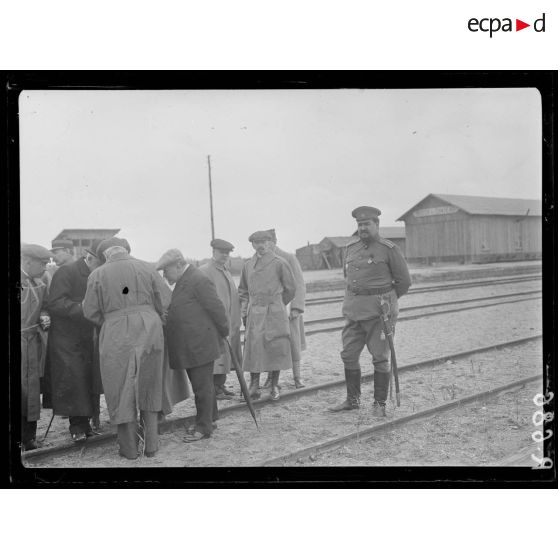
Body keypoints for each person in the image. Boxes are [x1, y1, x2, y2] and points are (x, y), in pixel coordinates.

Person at [83, 237, 167, 459]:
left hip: (115, 332)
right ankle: (151, 446)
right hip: (150, 328)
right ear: (126, 250)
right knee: (150, 384)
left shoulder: (97, 274)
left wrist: (112, 321)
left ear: (105, 255)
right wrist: (150, 316)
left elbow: (90, 311)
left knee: (120, 388)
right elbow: (165, 300)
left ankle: (129, 450)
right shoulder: (147, 267)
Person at [330, 206, 411, 416]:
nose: (363, 228)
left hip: (379, 314)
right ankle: (353, 400)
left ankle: (379, 404)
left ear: (377, 225)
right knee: (348, 355)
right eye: (360, 225)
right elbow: (348, 278)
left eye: (367, 224)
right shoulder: (350, 247)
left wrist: (386, 302)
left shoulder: (389, 249)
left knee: (380, 358)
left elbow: (403, 282)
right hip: (353, 311)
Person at [158, 249, 229, 443]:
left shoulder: (197, 279)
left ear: (179, 265)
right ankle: (210, 419)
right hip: (193, 345)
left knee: (202, 388)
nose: (165, 275)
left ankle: (204, 428)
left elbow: (217, 308)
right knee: (204, 386)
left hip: (200, 345)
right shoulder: (185, 280)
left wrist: (224, 332)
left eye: (167, 270)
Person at [46, 238, 103, 442]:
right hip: (66, 339)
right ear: (90, 257)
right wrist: (83, 307)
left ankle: (85, 425)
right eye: (101, 262)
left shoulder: (96, 273)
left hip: (86, 337)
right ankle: (76, 428)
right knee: (75, 382)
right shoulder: (67, 272)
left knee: (87, 380)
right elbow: (55, 303)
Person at [238, 230, 296, 401]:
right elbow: (242, 291)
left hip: (274, 311)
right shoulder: (248, 265)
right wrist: (245, 310)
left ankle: (273, 385)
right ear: (252, 245)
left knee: (275, 347)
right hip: (255, 312)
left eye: (264, 241)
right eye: (256, 242)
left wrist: (277, 305)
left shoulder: (280, 263)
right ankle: (254, 386)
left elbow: (290, 289)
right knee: (254, 347)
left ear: (270, 242)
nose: (261, 245)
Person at [263, 229, 307, 389]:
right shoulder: (263, 260)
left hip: (289, 310)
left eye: (268, 241)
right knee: (272, 344)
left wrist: (296, 308)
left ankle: (297, 377)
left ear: (274, 241)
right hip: (272, 312)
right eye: (262, 242)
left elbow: (300, 284)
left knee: (294, 344)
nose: (265, 245)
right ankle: (271, 378)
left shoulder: (289, 257)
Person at [199, 239, 242, 400]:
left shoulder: (225, 270)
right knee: (217, 356)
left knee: (226, 355)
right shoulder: (205, 271)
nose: (225, 255)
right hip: (214, 323)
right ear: (213, 252)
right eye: (221, 252)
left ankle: (220, 385)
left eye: (227, 253)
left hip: (229, 322)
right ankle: (214, 389)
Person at [20, 244, 53, 450]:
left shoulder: (40, 283)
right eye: (42, 264)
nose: (44, 268)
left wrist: (44, 315)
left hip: (32, 345)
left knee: (31, 391)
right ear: (28, 261)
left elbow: (45, 306)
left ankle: (29, 438)